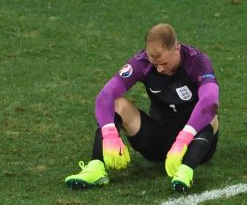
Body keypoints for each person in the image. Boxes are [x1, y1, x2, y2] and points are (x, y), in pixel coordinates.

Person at [65, 23, 220, 192]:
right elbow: (105, 95)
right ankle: (96, 167)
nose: (159, 69)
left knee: (211, 116)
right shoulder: (142, 62)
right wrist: (109, 133)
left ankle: (186, 171)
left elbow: (210, 100)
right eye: (154, 63)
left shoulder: (197, 62)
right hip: (157, 139)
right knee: (118, 105)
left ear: (177, 48)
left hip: (194, 145)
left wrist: (183, 139)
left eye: (164, 62)